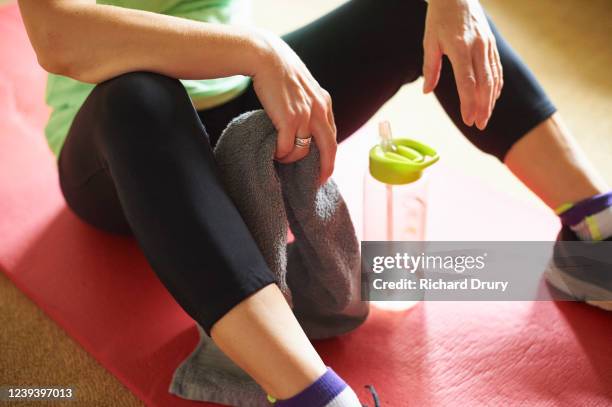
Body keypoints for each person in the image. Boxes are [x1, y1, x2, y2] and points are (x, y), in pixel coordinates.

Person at [18, 0, 611, 405]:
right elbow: (61, 36)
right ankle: (313, 395)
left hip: (233, 93)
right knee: (138, 93)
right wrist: (256, 52)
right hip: (120, 143)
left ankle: (595, 235)